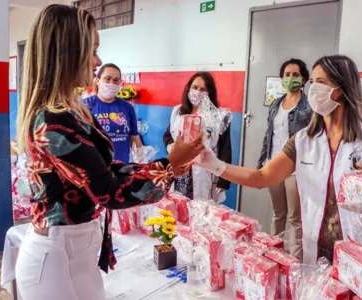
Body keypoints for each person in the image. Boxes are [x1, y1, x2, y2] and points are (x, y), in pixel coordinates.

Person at [14, 5, 203, 300]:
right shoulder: (53, 120)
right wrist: (168, 164)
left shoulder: (75, 111)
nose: (97, 62)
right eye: (92, 51)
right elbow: (107, 191)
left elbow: (106, 168)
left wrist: (167, 166)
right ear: (66, 53)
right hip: (55, 256)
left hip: (77, 250)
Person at [194, 55, 362, 268]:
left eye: (320, 82)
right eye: (312, 82)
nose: (313, 89)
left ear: (342, 87)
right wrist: (215, 165)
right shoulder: (304, 140)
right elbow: (262, 177)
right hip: (317, 251)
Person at [257, 58, 312, 259]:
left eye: (295, 74)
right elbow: (268, 135)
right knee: (278, 213)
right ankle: (273, 255)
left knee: (295, 218)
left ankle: (294, 261)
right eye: (287, 75)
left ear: (303, 78)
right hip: (273, 165)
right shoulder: (275, 105)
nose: (290, 78)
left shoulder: (309, 106)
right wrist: (262, 163)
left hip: (296, 169)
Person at [163, 72, 232, 202]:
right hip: (180, 171)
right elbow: (167, 135)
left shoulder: (221, 116)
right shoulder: (178, 111)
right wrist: (171, 147)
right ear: (188, 88)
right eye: (194, 87)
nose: (197, 92)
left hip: (205, 172)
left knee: (203, 213)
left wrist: (224, 180)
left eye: (203, 89)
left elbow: (225, 148)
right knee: (178, 207)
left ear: (210, 92)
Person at [82, 63, 142, 163]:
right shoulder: (85, 106)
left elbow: (134, 136)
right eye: (107, 78)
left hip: (122, 166)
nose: (111, 83)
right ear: (97, 81)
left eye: (116, 80)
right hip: (95, 166)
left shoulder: (127, 107)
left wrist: (141, 160)